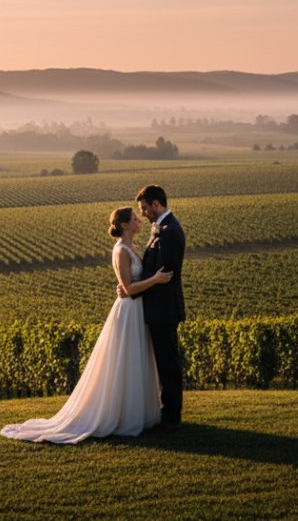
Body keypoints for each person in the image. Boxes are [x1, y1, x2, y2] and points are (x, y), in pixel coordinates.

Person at [0, 207, 172, 443]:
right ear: (124, 225)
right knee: (125, 361)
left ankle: (135, 413)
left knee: (135, 360)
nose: (138, 220)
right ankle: (120, 415)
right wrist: (155, 280)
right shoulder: (121, 250)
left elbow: (131, 284)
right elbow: (129, 289)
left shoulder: (132, 248)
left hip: (137, 310)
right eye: (134, 218)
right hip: (129, 310)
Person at [120, 184, 186, 429]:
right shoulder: (161, 229)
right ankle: (166, 410)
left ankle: (171, 416)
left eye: (145, 208)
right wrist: (130, 284)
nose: (144, 214)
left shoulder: (169, 232)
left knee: (168, 363)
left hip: (164, 308)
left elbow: (164, 274)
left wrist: (135, 286)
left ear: (156, 205)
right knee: (162, 361)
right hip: (157, 308)